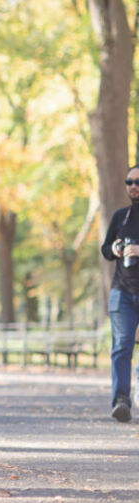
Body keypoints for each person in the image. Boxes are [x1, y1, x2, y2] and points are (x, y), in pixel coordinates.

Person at [101, 164, 139, 422]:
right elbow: (104, 249)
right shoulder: (120, 217)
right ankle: (121, 400)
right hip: (122, 291)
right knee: (122, 346)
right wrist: (115, 248)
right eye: (129, 182)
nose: (132, 186)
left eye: (137, 181)